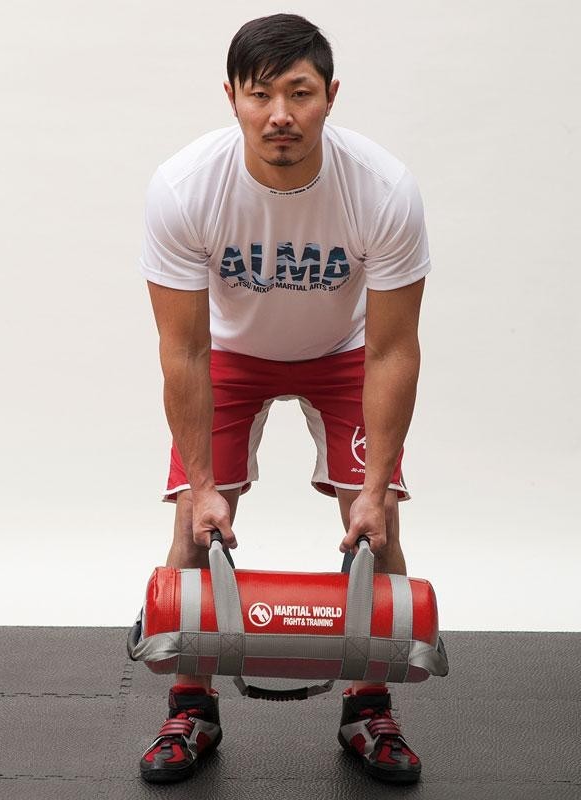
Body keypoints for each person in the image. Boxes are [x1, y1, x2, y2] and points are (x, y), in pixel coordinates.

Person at [137, 13, 431, 785]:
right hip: (230, 351)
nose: (280, 114)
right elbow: (184, 349)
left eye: (299, 93)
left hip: (345, 351)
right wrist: (204, 486)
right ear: (230, 96)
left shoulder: (383, 189)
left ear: (330, 95)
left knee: (376, 529)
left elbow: (394, 349)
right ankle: (191, 706)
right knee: (193, 526)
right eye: (260, 94)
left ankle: (370, 707)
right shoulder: (184, 188)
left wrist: (374, 490)